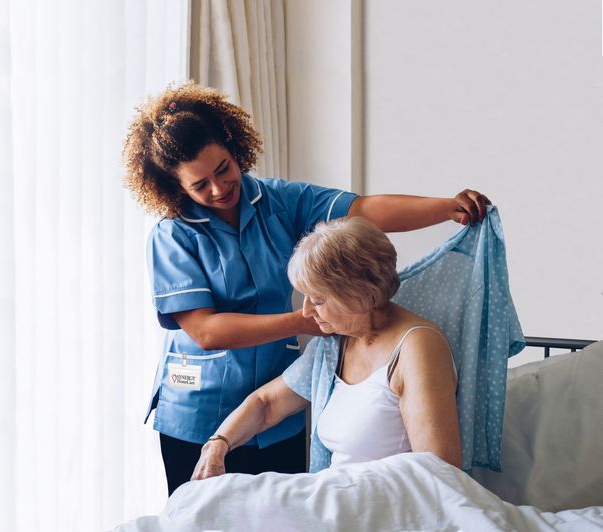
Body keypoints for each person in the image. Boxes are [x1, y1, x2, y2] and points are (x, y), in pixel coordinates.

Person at [122, 81, 486, 495]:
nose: (219, 188)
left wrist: (446, 208)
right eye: (200, 185)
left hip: (277, 411)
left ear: (234, 148)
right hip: (198, 413)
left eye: (223, 169)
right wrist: (307, 320)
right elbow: (206, 331)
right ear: (176, 188)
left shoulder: (280, 201)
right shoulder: (172, 236)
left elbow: (364, 210)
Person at [191, 217, 460, 480]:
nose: (306, 311)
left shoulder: (417, 348)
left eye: (317, 300)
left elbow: (439, 473)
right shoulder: (334, 344)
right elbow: (267, 404)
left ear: (364, 294)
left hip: (385, 503)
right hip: (339, 495)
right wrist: (218, 443)